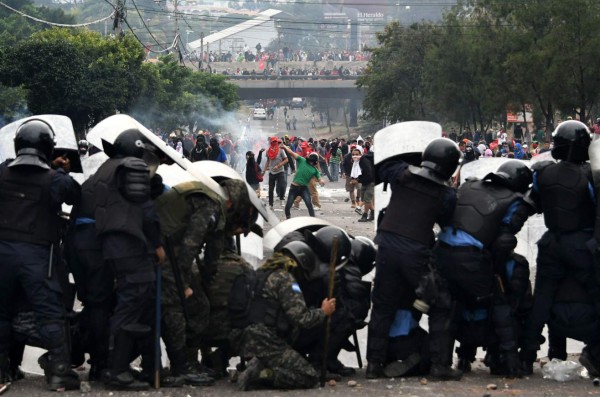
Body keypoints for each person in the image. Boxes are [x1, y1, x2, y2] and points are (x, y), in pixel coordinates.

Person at [427, 160, 534, 380]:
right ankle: (508, 360)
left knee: (448, 306)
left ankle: (445, 362)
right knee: (498, 302)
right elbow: (504, 240)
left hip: (440, 251)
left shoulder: (469, 185)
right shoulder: (515, 201)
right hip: (470, 258)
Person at [366, 137, 461, 380]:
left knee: (383, 305)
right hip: (415, 252)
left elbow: (382, 166)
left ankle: (374, 364)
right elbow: (447, 221)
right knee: (440, 304)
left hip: (386, 245)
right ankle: (440, 365)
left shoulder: (402, 173)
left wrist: (409, 159)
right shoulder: (446, 193)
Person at [0, 119, 81, 391]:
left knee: (1, 311)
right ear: (47, 148)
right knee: (50, 313)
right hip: (37, 257)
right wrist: (63, 172)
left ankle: (3, 370)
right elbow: (75, 196)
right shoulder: (54, 180)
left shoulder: (1, 172)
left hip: (2, 253)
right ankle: (59, 372)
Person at [521, 120, 600, 376]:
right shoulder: (590, 175)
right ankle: (595, 354)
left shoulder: (542, 173)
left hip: (552, 242)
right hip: (582, 245)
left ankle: (526, 356)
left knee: (541, 301)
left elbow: (536, 205)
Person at [88, 129, 165, 390]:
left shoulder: (104, 168)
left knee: (127, 302)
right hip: (132, 246)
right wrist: (157, 244)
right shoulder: (132, 166)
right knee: (132, 304)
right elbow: (146, 211)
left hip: (110, 246)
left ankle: (117, 365)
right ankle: (118, 369)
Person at [235, 243, 336, 391]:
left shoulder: (261, 273)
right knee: (308, 376)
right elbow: (301, 318)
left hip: (244, 337)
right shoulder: (284, 279)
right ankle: (262, 375)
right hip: (266, 340)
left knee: (277, 356)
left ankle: (256, 366)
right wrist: (323, 311)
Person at [280, 144, 324, 219]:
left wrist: (321, 181)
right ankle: (288, 217)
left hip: (304, 188)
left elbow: (320, 179)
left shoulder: (315, 170)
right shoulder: (302, 160)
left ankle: (313, 219)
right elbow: (292, 153)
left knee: (309, 205)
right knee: (288, 206)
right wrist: (284, 147)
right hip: (294, 188)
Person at [263, 137, 288, 208]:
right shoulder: (268, 151)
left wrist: (279, 165)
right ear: (270, 143)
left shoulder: (281, 150)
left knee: (282, 185)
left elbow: (286, 160)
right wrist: (264, 170)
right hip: (272, 172)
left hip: (280, 171)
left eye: (275, 142)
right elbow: (268, 161)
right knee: (271, 189)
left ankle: (282, 199)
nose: (274, 143)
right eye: (272, 142)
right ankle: (271, 204)